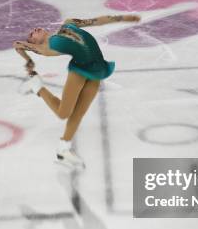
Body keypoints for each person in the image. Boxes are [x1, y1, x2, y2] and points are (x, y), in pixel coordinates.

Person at [13, 14, 140, 169]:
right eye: (31, 35)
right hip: (79, 70)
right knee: (63, 113)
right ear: (34, 42)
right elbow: (17, 44)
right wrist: (28, 59)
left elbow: (97, 21)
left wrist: (122, 18)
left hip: (98, 69)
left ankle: (63, 150)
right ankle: (37, 86)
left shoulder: (68, 24)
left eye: (33, 30)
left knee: (79, 113)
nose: (33, 30)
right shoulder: (46, 49)